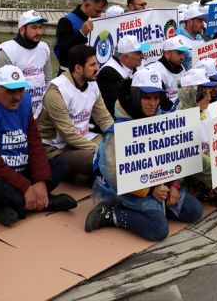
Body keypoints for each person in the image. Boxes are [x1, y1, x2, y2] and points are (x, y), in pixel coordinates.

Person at [85, 67, 203, 239]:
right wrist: (149, 190)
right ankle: (112, 213)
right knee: (159, 229)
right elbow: (113, 174)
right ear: (135, 96)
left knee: (194, 211)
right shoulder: (117, 132)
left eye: (156, 98)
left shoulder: (162, 118)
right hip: (124, 190)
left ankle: (153, 210)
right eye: (147, 98)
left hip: (159, 182)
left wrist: (175, 185)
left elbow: (176, 155)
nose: (152, 103)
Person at [0, 65, 76, 226]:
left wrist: (40, 182)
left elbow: (35, 144)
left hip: (18, 168)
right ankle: (43, 202)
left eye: (20, 90)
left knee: (60, 165)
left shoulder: (24, 104)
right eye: (10, 91)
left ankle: (10, 203)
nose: (17, 96)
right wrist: (26, 187)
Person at [37, 44, 113, 177]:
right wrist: (101, 149)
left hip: (82, 139)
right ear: (78, 68)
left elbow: (104, 119)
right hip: (56, 148)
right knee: (98, 158)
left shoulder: (93, 84)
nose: (97, 68)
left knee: (117, 149)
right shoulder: (56, 91)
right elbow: (68, 135)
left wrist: (120, 139)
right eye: (92, 65)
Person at [0, 10, 52, 118]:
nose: (39, 32)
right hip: (14, 112)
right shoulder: (7, 51)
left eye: (40, 27)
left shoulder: (44, 48)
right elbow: (2, 89)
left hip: (40, 112)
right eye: (34, 27)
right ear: (22, 30)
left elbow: (48, 79)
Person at [54, 0, 108, 70]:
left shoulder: (96, 20)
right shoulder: (66, 21)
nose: (99, 15)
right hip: (69, 72)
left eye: (101, 12)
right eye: (97, 11)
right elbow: (63, 48)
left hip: (91, 71)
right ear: (86, 5)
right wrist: (81, 33)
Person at [96, 35, 149, 116]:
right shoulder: (107, 74)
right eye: (138, 53)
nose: (143, 56)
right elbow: (114, 108)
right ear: (126, 57)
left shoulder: (136, 66)